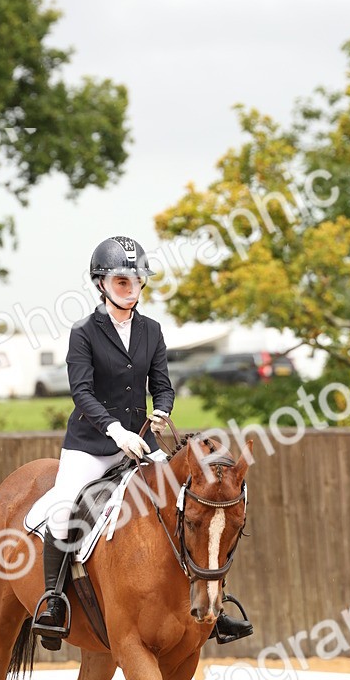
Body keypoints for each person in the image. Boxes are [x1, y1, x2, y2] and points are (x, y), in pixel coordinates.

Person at [33, 234, 253, 647]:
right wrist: (113, 430)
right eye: (121, 281)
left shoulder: (151, 330)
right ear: (101, 283)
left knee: (189, 504)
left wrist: (162, 410)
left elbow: (163, 385)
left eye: (136, 280)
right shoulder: (84, 333)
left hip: (141, 441)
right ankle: (53, 601)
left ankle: (213, 603)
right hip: (90, 445)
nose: (130, 288)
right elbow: (81, 392)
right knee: (63, 511)